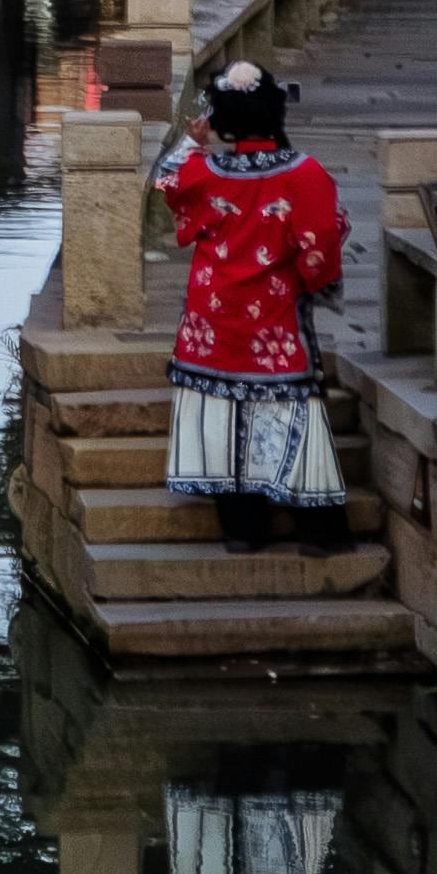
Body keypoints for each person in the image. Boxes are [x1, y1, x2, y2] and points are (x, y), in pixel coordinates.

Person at [160, 57, 349, 550]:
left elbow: (166, 183)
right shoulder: (304, 174)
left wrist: (192, 140)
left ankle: (243, 530)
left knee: (221, 418)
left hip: (213, 324)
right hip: (275, 324)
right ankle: (317, 530)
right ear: (273, 112)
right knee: (291, 414)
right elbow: (322, 237)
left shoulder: (205, 172)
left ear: (221, 119)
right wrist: (316, 278)